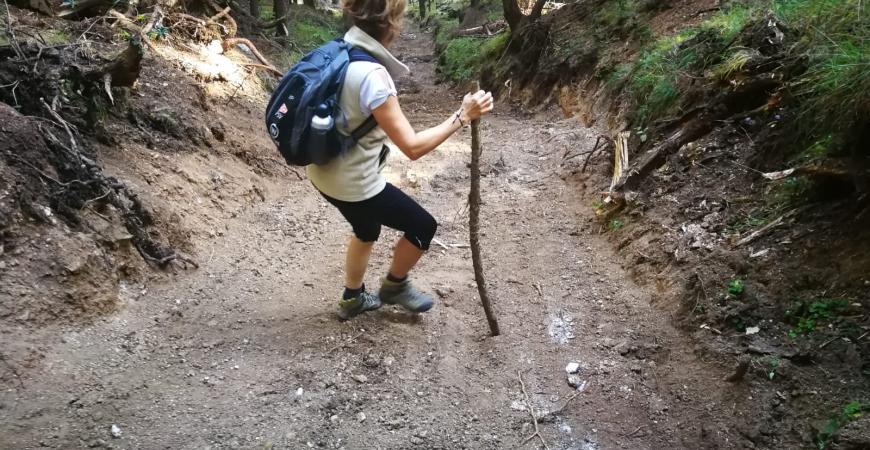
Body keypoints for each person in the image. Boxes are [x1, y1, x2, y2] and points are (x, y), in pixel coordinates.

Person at [308, 0, 494, 320]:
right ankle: (394, 285)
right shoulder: (372, 76)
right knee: (422, 225)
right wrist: (463, 115)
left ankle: (352, 298)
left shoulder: (336, 51)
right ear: (391, 23)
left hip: (322, 172)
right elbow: (412, 147)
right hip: (355, 184)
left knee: (366, 228)